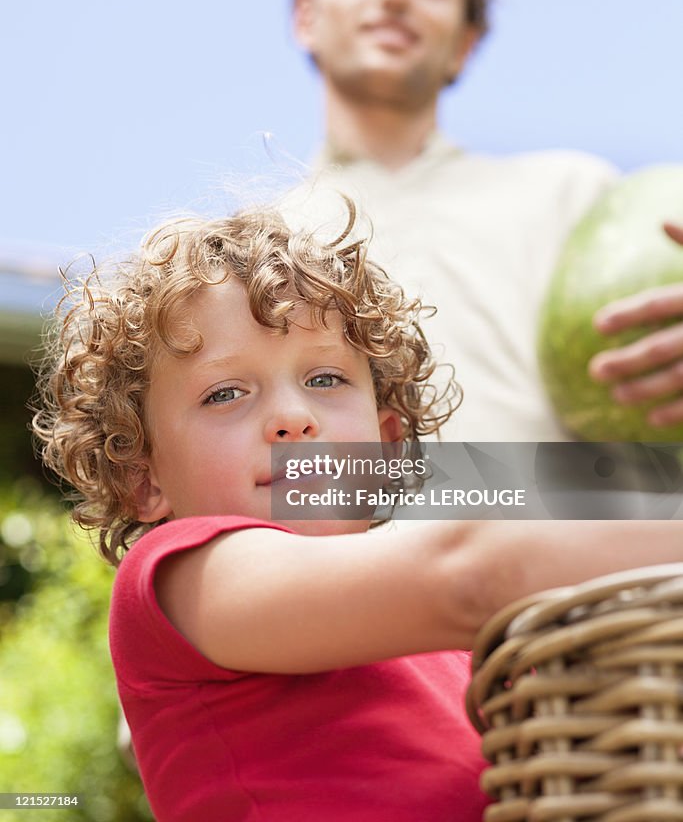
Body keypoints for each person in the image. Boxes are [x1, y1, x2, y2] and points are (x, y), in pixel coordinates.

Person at [32, 203, 683, 821]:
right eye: (225, 393)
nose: (292, 417)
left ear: (388, 444)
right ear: (143, 478)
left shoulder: (478, 643)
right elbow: (480, 568)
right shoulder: (186, 580)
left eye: (324, 379)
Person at [286, 0, 683, 441]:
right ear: (307, 17)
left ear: (464, 45)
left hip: (585, 524)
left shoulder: (577, 194)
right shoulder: (257, 248)